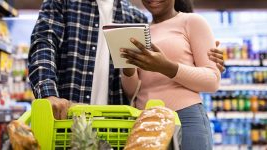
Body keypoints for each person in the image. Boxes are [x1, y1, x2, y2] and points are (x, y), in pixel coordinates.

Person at [28, 0, 224, 120]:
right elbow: (43, 44)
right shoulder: (63, 3)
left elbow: (134, 87)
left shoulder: (135, 18)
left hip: (117, 126)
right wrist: (48, 94)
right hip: (67, 117)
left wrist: (207, 55)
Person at [120, 0, 220, 150]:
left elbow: (212, 80)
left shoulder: (193, 22)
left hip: (185, 118)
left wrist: (166, 67)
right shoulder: (140, 32)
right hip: (145, 121)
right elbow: (131, 91)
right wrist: (128, 69)